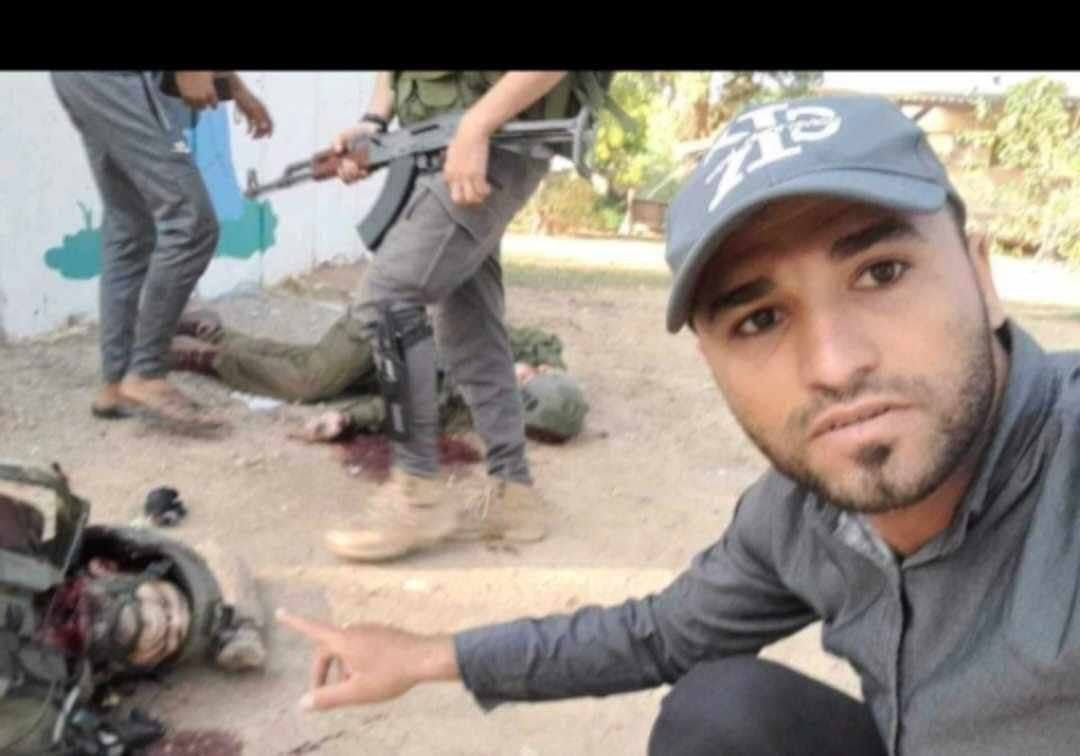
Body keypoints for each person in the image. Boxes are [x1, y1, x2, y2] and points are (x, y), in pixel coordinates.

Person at [277, 94, 1080, 755]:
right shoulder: (798, 517)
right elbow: (661, 634)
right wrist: (430, 656)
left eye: (882, 272)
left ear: (981, 275)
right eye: (760, 319)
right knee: (724, 713)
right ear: (712, 359)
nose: (835, 365)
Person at [49, 71, 274, 428]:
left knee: (129, 224)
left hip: (86, 81)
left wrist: (236, 88)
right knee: (192, 222)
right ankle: (146, 373)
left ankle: (116, 382)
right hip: (115, 81)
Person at [166, 309, 588, 444]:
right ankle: (203, 360)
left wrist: (347, 419)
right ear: (540, 370)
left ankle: (211, 333)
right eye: (521, 382)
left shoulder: (481, 404)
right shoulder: (505, 345)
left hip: (385, 369)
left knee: (305, 363)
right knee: (309, 381)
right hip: (385, 326)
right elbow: (543, 341)